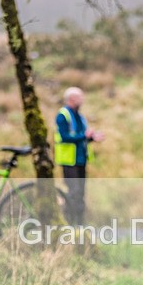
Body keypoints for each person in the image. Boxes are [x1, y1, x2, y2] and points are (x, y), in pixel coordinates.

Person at [54, 87, 103, 225]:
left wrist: (92, 137)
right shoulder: (63, 115)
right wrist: (84, 135)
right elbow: (64, 137)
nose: (82, 100)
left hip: (81, 159)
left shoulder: (80, 116)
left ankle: (80, 224)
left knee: (81, 193)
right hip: (69, 160)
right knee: (73, 192)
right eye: (79, 97)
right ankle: (69, 222)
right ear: (71, 98)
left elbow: (81, 137)